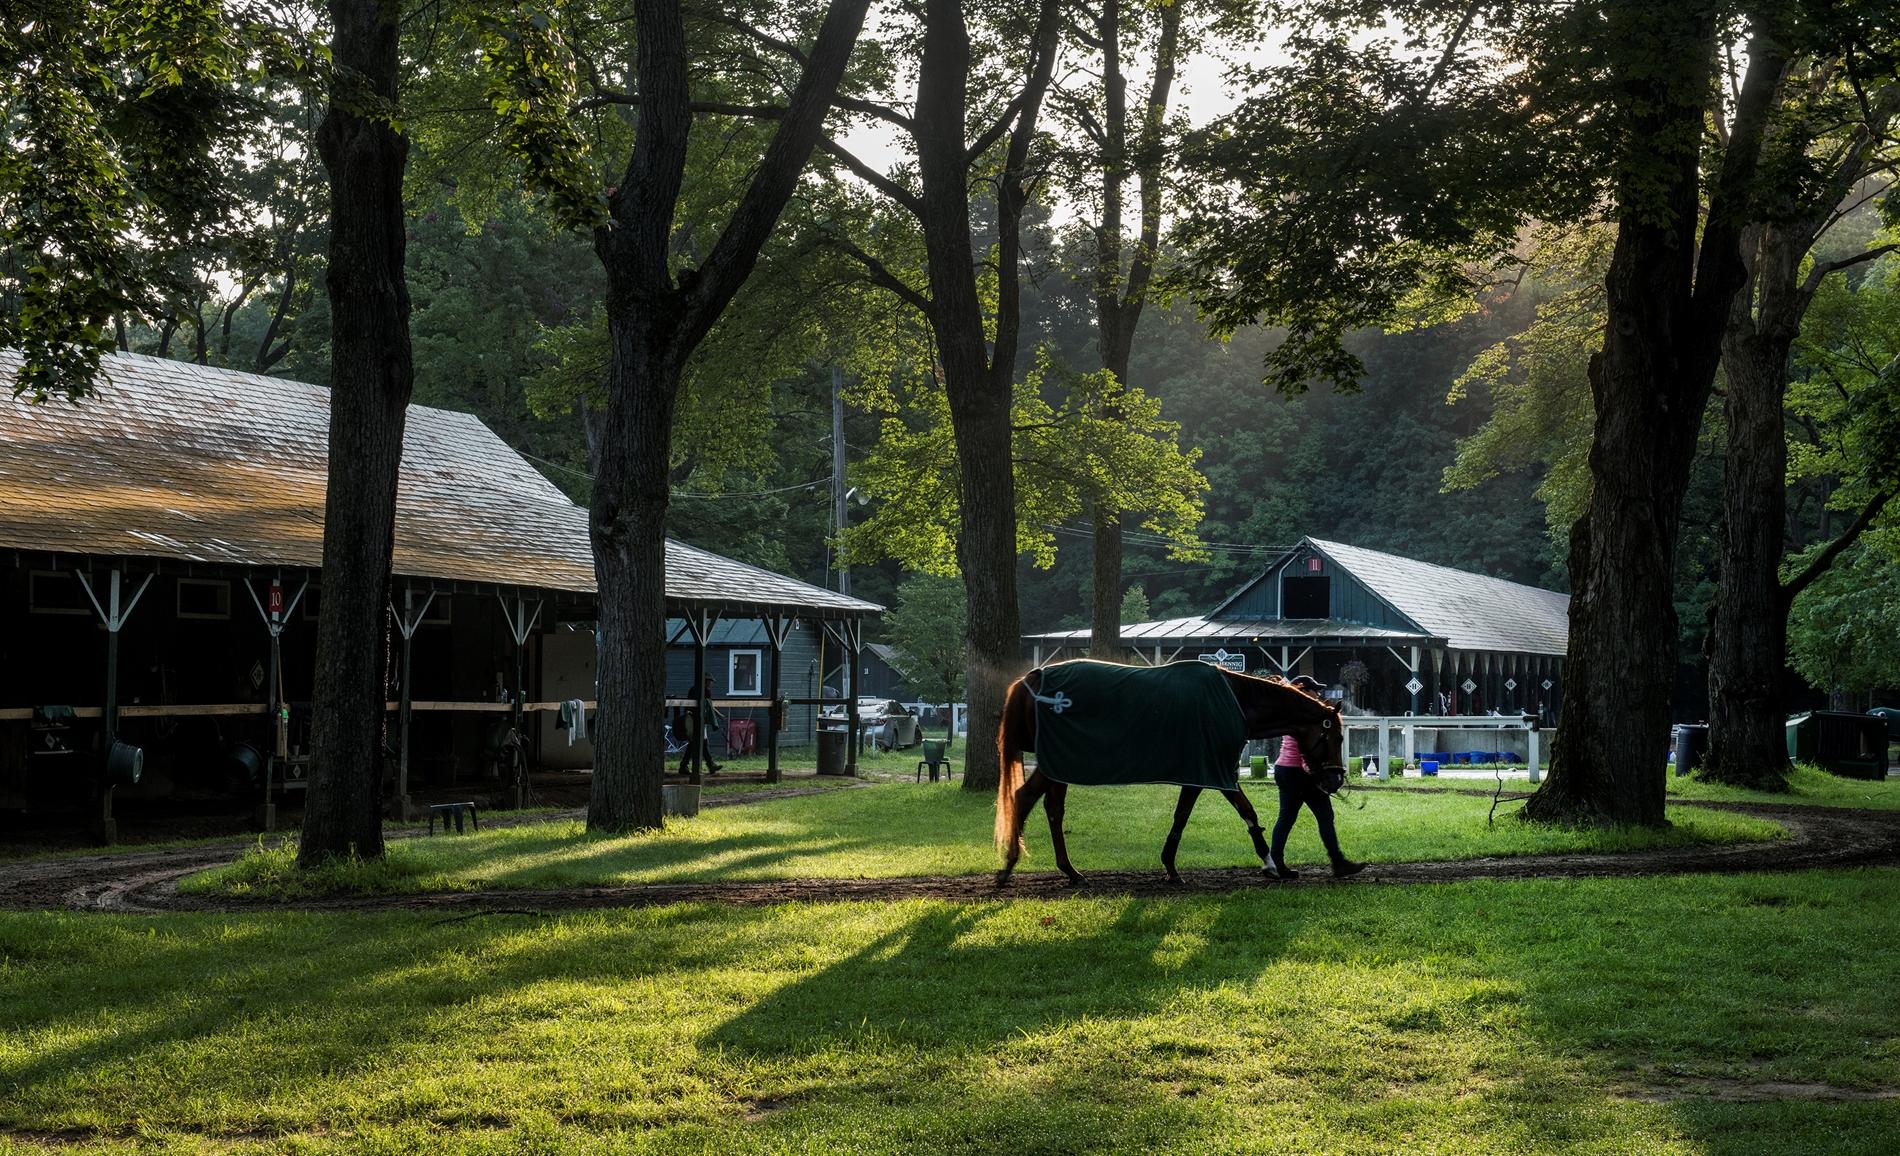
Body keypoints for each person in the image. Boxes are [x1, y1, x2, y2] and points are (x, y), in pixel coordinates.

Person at [1268, 675, 1365, 880]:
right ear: (1303, 690)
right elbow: (1306, 747)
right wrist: (1310, 769)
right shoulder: (1306, 714)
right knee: (1325, 815)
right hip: (1299, 772)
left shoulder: (1292, 711)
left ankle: (1274, 863)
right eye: (1314, 689)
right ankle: (1338, 863)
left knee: (1286, 817)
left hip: (1284, 769)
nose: (1318, 693)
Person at [678, 675, 725, 774]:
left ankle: (686, 765)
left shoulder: (693, 689)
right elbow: (708, 705)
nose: (711, 683)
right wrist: (719, 715)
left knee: (697, 741)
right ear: (706, 681)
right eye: (710, 681)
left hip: (691, 717)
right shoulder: (705, 691)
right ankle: (708, 764)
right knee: (701, 741)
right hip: (699, 718)